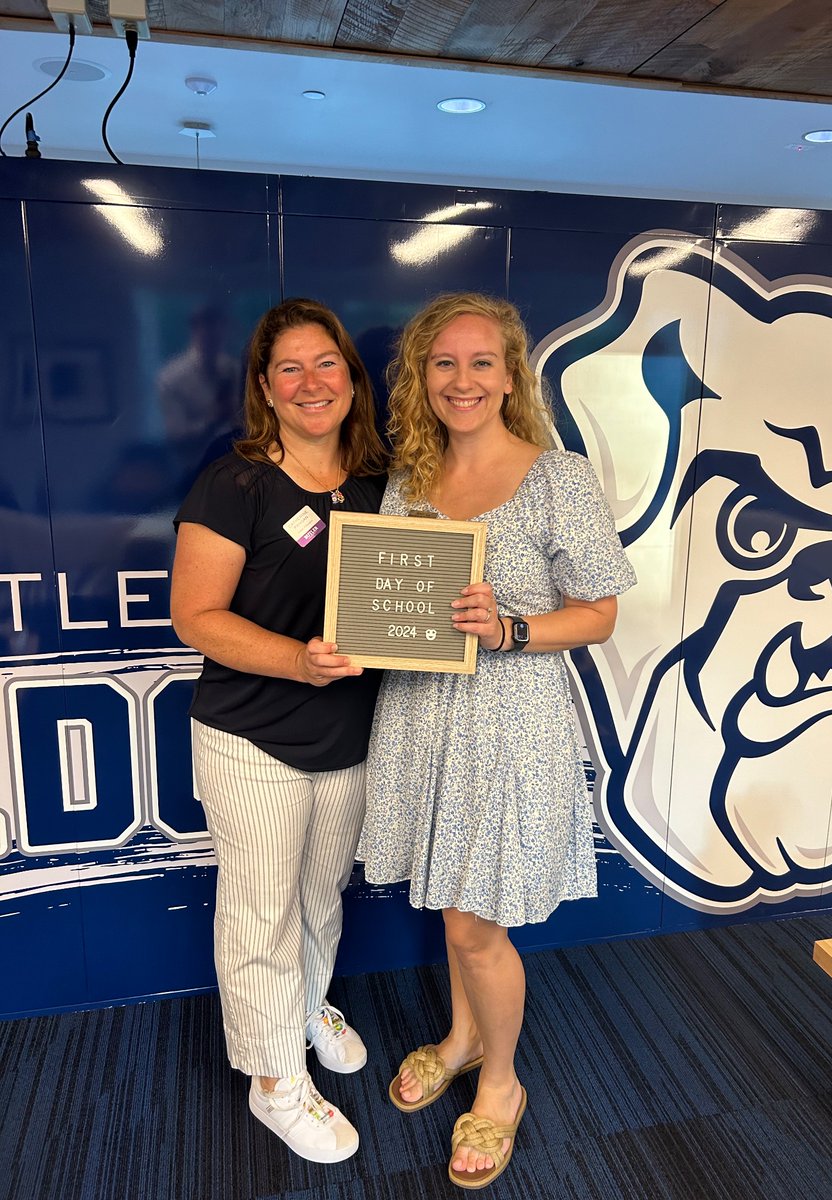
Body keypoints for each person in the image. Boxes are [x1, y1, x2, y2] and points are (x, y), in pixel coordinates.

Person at [360, 293, 636, 1188]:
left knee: (477, 921)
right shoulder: (409, 477)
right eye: (444, 363)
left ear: (511, 373)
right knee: (453, 900)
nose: (463, 380)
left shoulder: (558, 476)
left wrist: (512, 627)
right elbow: (387, 601)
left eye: (481, 362)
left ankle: (504, 1085)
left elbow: (599, 614)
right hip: (419, 714)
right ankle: (463, 1037)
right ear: (422, 378)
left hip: (509, 722)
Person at [170, 298, 387, 1164]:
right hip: (251, 737)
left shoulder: (378, 481)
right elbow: (196, 616)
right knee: (260, 912)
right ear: (264, 386)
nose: (310, 383)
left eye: (325, 363)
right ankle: (272, 1080)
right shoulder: (237, 483)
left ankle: (304, 1009)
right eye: (289, 368)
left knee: (317, 900)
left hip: (348, 738)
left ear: (349, 376)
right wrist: (298, 660)